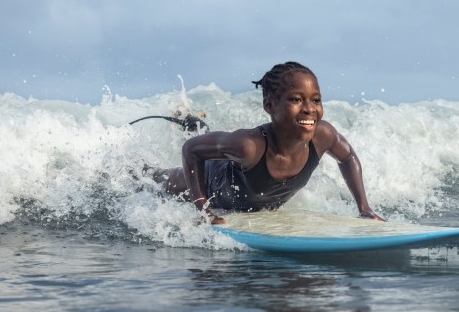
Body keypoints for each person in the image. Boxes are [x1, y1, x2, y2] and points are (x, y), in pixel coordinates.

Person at [145, 61, 385, 224]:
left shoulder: (323, 137)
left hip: (236, 176)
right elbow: (191, 150)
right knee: (151, 178)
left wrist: (364, 208)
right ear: (270, 106)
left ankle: (191, 120)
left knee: (205, 135)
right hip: (210, 178)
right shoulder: (249, 146)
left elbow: (348, 157)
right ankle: (135, 164)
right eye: (296, 99)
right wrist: (202, 209)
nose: (309, 109)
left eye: (316, 100)